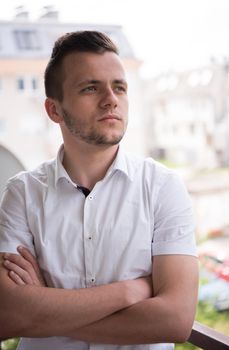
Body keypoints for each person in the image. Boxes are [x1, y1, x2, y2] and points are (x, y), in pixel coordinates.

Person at [0, 31, 198, 350]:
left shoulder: (164, 187)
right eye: (90, 88)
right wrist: (129, 292)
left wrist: (43, 310)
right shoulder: (21, 193)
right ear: (54, 110)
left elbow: (175, 319)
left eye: (119, 86)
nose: (111, 99)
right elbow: (7, 315)